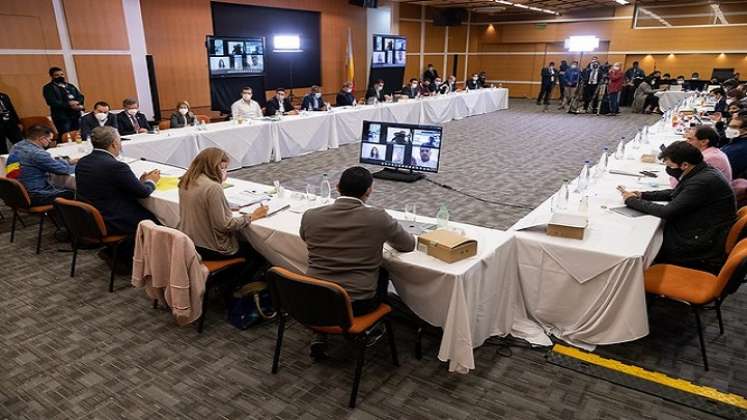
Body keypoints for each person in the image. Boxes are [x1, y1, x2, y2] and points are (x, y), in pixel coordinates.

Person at [300, 166, 416, 358]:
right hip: (357, 304)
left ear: (337, 187)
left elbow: (306, 238)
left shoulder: (311, 215)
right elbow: (408, 245)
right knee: (383, 272)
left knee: (327, 284)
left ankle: (320, 333)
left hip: (314, 299)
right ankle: (372, 328)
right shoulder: (378, 217)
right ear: (369, 191)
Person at [619, 141, 736, 274]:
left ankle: (632, 273)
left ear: (684, 165)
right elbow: (676, 193)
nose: (668, 169)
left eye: (669, 165)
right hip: (705, 230)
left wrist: (631, 201)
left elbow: (667, 211)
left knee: (641, 236)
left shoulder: (702, 181)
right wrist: (643, 195)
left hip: (699, 243)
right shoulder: (701, 171)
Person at [177, 148, 268, 282]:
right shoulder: (213, 187)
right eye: (223, 168)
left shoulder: (187, 180)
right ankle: (236, 289)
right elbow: (224, 225)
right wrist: (252, 216)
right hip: (213, 248)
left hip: (192, 243)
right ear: (213, 167)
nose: (225, 172)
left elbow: (201, 205)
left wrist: (224, 205)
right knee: (259, 252)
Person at [75, 126, 160, 240]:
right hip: (114, 220)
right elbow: (143, 193)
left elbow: (106, 185)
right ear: (114, 144)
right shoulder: (116, 166)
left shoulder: (83, 161)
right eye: (120, 141)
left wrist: (138, 182)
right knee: (159, 218)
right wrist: (151, 181)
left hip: (90, 218)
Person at [5, 125, 75, 206]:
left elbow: (50, 163)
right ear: (42, 139)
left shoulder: (17, 146)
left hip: (16, 194)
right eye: (50, 139)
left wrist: (69, 161)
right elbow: (63, 170)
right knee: (74, 192)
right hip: (34, 195)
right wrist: (82, 165)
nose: (50, 142)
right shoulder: (37, 153)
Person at [43, 67, 84, 134]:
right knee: (66, 136)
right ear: (51, 76)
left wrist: (78, 103)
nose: (60, 76)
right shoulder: (48, 88)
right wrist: (69, 105)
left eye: (62, 74)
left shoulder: (70, 86)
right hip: (62, 117)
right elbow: (52, 102)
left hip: (75, 115)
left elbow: (80, 96)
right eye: (57, 75)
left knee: (78, 135)